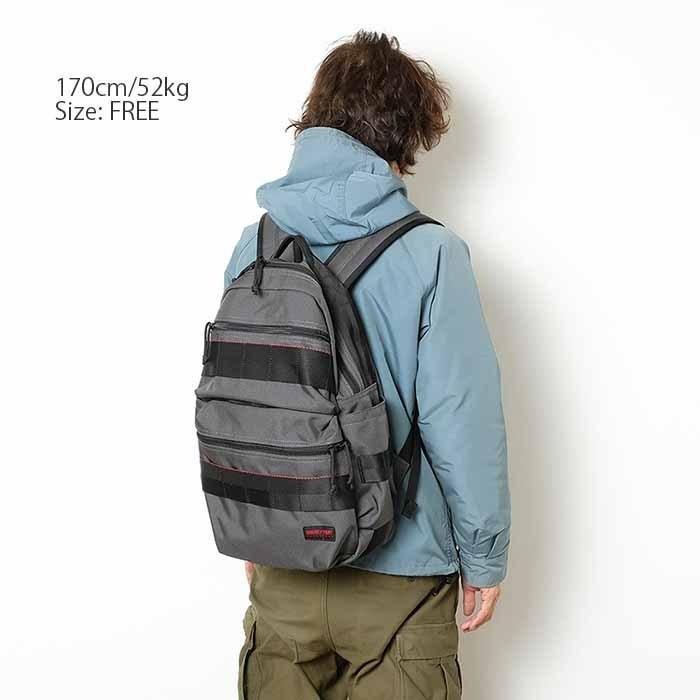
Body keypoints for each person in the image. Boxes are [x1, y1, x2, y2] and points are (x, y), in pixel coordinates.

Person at [224, 30, 510, 700]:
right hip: (400, 579)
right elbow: (461, 421)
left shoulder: (256, 245)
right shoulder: (432, 253)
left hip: (284, 568)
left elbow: (240, 396)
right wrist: (484, 556)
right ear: (404, 135)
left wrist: (257, 526)